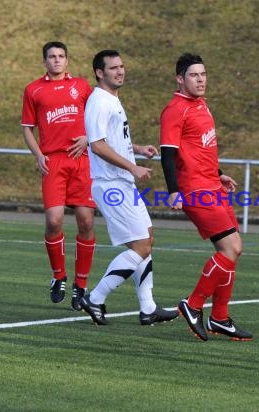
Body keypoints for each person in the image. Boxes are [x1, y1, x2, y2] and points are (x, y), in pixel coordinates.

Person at [79, 49, 178, 326]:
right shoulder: (99, 101)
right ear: (100, 73)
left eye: (122, 66)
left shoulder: (112, 100)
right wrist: (131, 167)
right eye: (113, 68)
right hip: (111, 184)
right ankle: (95, 298)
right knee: (141, 245)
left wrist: (136, 149)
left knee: (147, 238)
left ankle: (148, 308)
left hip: (121, 182)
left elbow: (110, 138)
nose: (120, 71)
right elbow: (96, 144)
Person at [159, 53, 252, 341]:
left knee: (234, 249)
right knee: (229, 249)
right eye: (193, 75)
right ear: (180, 79)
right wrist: (173, 190)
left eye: (203, 74)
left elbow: (201, 148)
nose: (200, 80)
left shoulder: (201, 105)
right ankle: (194, 304)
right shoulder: (175, 109)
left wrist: (219, 172)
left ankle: (220, 318)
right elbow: (168, 154)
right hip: (195, 190)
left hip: (213, 184)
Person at [22, 41, 96, 311]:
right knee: (54, 221)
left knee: (86, 221)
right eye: (51, 56)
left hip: (81, 160)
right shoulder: (34, 89)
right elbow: (28, 128)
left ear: (67, 61)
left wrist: (88, 139)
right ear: (45, 62)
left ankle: (81, 285)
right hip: (53, 161)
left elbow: (98, 119)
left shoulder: (82, 86)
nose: (56, 60)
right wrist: (39, 155)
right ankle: (58, 276)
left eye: (61, 56)